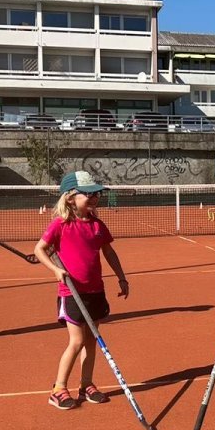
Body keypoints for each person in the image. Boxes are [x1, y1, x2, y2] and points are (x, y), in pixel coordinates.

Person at [34, 171, 129, 410]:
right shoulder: (60, 224)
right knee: (76, 341)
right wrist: (55, 271)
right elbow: (39, 249)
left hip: (95, 291)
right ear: (70, 198)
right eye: (87, 194)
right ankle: (58, 389)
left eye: (96, 193)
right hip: (72, 293)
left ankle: (86, 384)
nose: (94, 197)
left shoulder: (97, 225)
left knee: (90, 340)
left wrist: (121, 277)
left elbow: (108, 252)